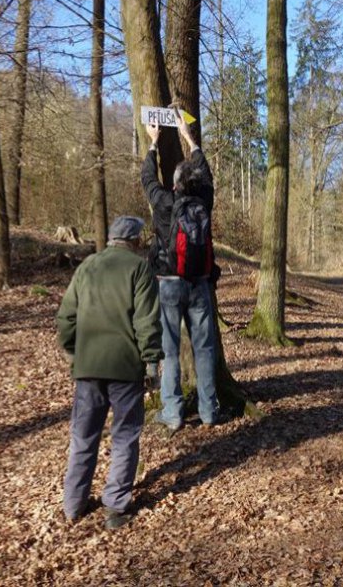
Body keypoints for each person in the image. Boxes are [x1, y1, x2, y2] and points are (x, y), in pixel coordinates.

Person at [56, 216, 162, 530]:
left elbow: (65, 318)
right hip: (125, 369)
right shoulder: (139, 268)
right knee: (125, 437)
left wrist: (74, 353)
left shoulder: (88, 266)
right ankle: (115, 507)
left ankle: (73, 504)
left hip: (88, 369)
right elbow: (147, 321)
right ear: (135, 240)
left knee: (83, 436)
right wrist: (152, 363)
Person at [141, 110, 220, 432]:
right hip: (200, 283)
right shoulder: (204, 199)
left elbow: (147, 180)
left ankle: (172, 414)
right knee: (204, 348)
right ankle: (209, 411)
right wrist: (190, 139)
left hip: (169, 284)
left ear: (173, 184)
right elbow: (206, 173)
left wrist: (153, 143)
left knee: (170, 351)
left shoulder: (163, 203)